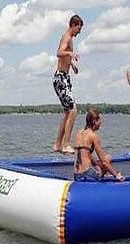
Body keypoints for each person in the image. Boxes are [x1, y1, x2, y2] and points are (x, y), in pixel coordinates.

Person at [52, 14, 83, 154]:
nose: (79, 32)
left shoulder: (70, 39)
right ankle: (65, 144)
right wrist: (71, 55)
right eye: (79, 28)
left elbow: (65, 55)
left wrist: (72, 65)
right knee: (73, 110)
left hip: (64, 77)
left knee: (67, 112)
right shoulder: (67, 37)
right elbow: (59, 53)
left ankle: (58, 144)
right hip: (60, 78)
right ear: (73, 25)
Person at [74, 108, 125, 182]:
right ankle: (101, 179)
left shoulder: (79, 133)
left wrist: (96, 165)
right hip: (88, 175)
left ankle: (102, 172)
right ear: (94, 121)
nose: (101, 123)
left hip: (77, 175)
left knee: (98, 164)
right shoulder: (93, 135)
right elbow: (104, 161)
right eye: (99, 120)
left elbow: (86, 153)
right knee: (107, 158)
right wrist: (116, 175)